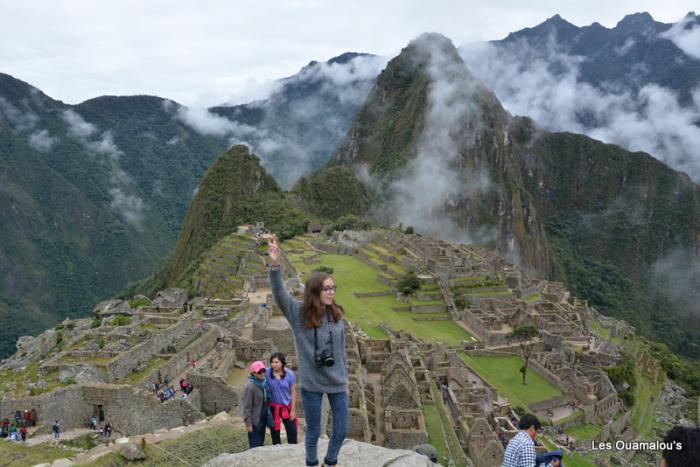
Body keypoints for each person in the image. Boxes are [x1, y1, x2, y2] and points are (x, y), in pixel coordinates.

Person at [269, 235, 348, 467]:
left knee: (341, 429)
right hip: (312, 383)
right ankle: (312, 463)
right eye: (327, 289)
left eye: (333, 288)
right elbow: (280, 296)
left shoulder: (337, 315)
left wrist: (347, 378)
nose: (331, 292)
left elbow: (342, 351)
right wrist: (275, 265)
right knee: (313, 432)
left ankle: (330, 461)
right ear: (315, 291)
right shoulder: (299, 313)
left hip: (337, 381)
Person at [266, 352, 298, 445]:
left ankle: (292, 449)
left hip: (286, 406)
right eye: (272, 362)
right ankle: (277, 449)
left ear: (282, 363)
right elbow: (256, 372)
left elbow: (293, 392)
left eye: (276, 362)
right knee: (274, 431)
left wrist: (293, 410)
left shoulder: (290, 374)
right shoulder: (267, 372)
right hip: (273, 407)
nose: (274, 364)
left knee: (292, 430)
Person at [242, 360, 272, 448]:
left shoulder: (264, 383)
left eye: (263, 370)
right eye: (259, 371)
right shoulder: (250, 387)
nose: (262, 373)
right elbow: (247, 407)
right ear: (253, 373)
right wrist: (248, 424)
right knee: (255, 445)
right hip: (255, 421)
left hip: (263, 418)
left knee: (261, 442)